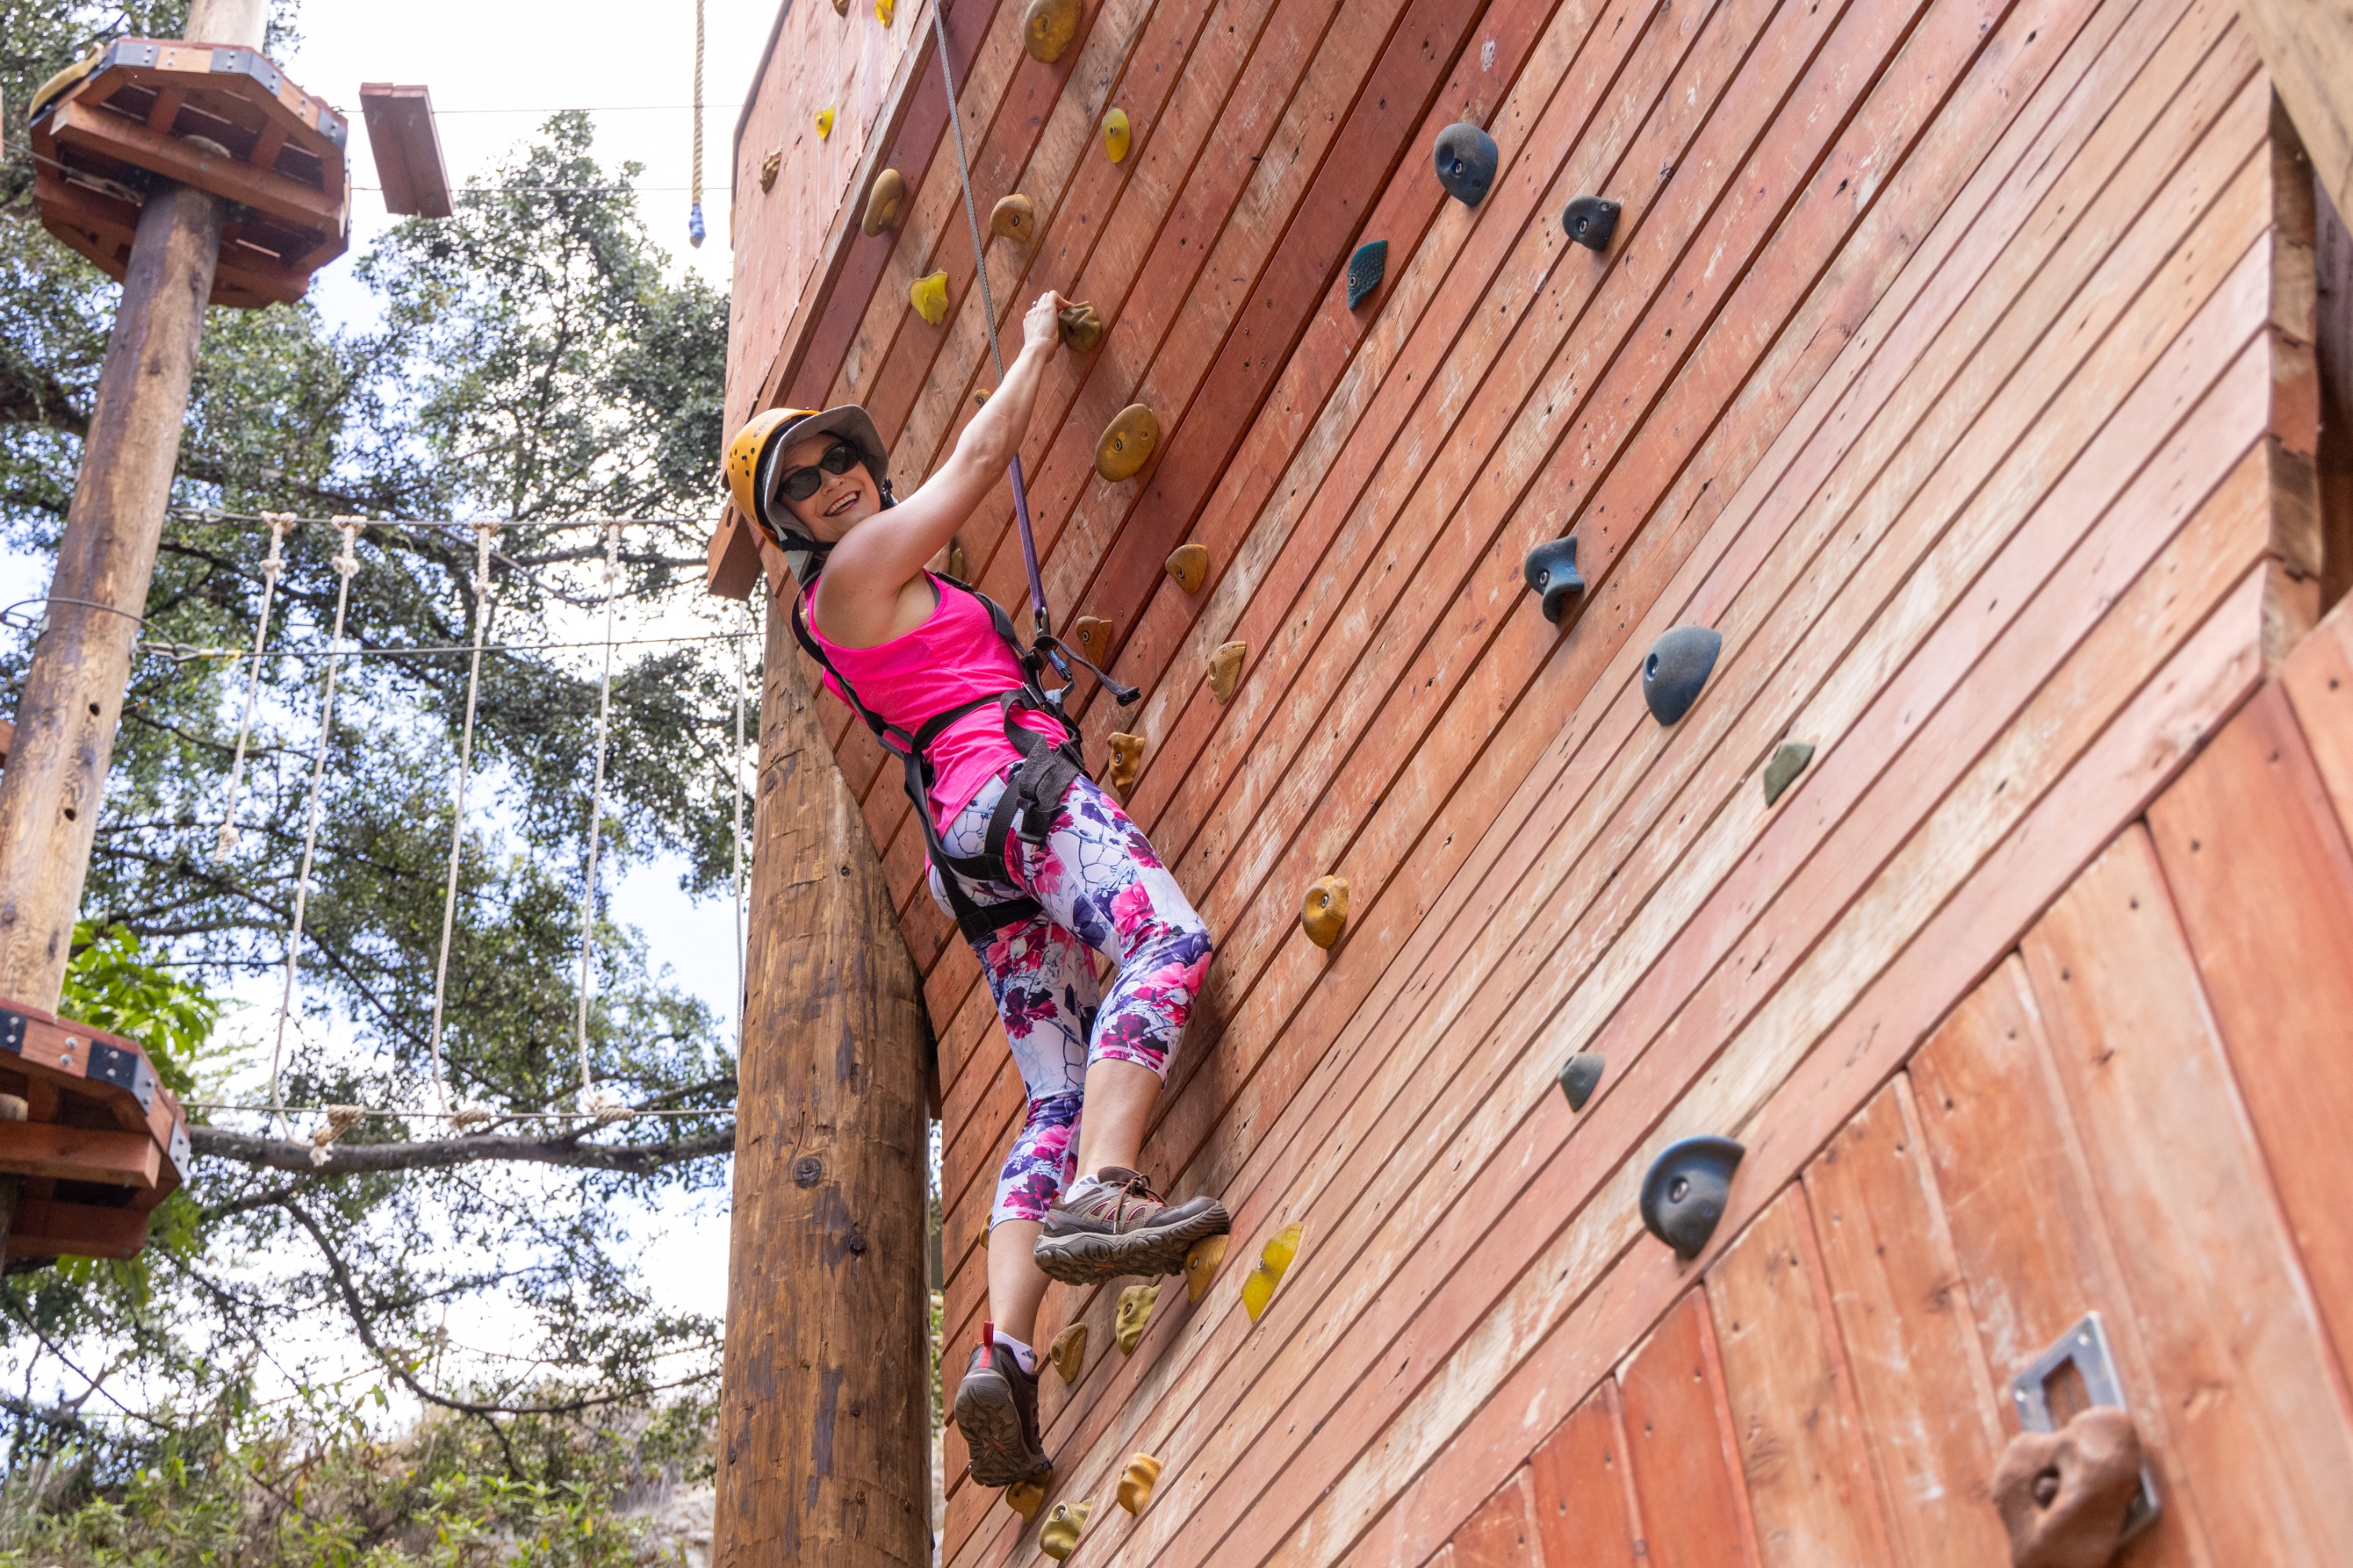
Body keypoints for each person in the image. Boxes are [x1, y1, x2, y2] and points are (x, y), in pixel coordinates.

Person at [725, 289, 1227, 1489]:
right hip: (1015, 791)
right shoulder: (843, 580)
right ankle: (1106, 1196)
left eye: (844, 456)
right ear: (786, 523)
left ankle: (1005, 1357)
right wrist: (1040, 345)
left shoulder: (865, 592)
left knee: (1051, 1091)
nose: (838, 481)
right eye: (806, 480)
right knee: (1166, 939)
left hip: (975, 844)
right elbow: (978, 458)